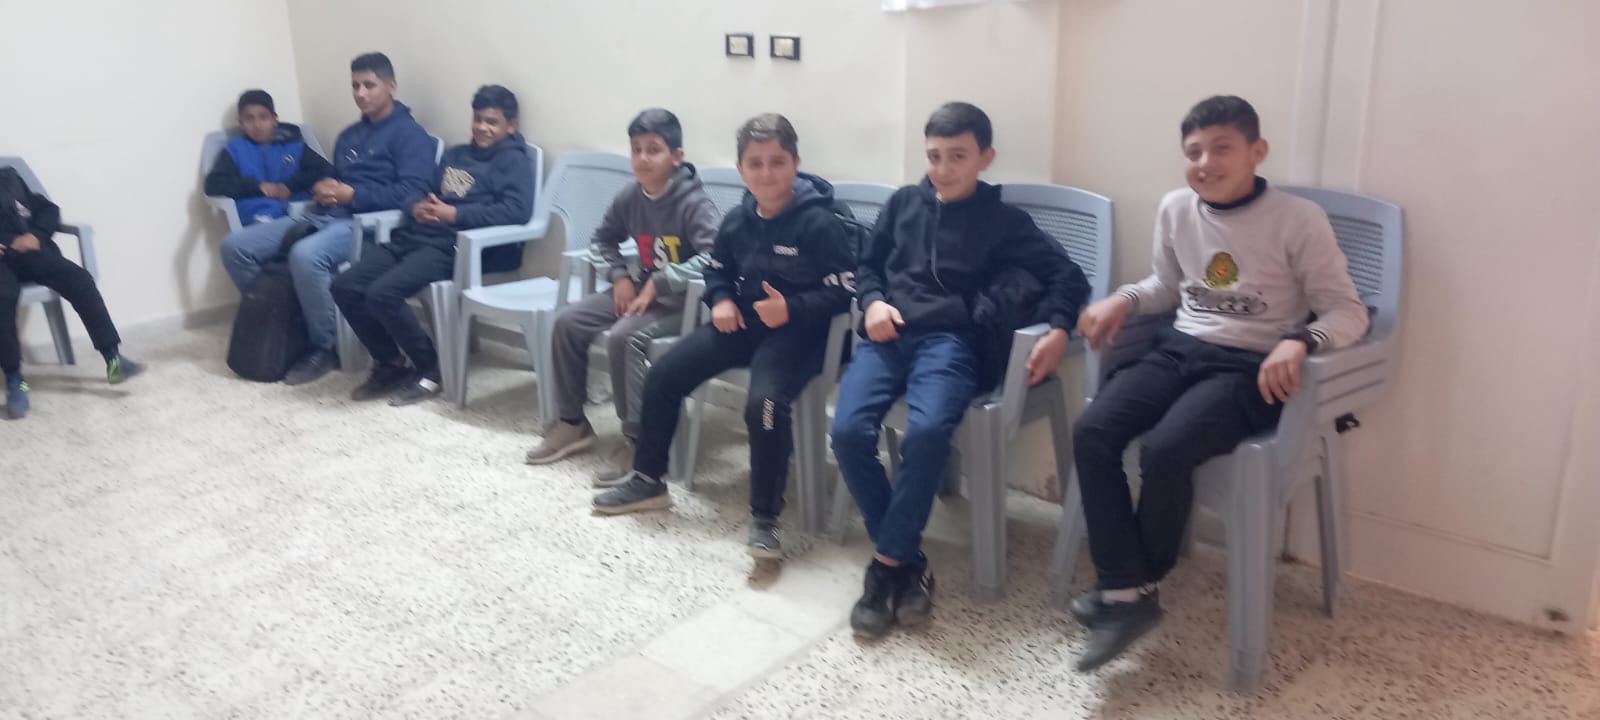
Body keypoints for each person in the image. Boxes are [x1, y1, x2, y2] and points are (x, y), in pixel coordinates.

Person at [1068, 95, 1369, 671]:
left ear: (1257, 151)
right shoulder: (1176, 207)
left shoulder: (1298, 218)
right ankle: (1129, 591)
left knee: (1166, 449)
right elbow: (1165, 286)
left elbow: (1347, 311)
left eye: (1221, 148)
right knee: (1093, 431)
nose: (1205, 163)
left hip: (1249, 366)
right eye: (1194, 152)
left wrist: (1301, 340)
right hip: (1178, 348)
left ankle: (1129, 588)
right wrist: (1122, 299)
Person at [829, 102, 1090, 639]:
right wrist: (872, 302)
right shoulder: (903, 204)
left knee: (927, 433)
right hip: (887, 336)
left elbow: (1068, 275)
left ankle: (886, 566)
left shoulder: (1004, 221)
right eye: (933, 156)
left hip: (949, 344)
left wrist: (1060, 329)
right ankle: (906, 562)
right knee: (848, 431)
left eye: (957, 156)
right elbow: (868, 265)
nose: (942, 169)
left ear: (984, 158)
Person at [591, 113, 855, 561]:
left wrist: (791, 308)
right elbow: (717, 270)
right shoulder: (737, 220)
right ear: (741, 169)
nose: (766, 173)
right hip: (743, 324)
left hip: (800, 336)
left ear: (795, 164)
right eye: (755, 164)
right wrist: (721, 300)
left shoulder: (820, 223)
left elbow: (844, 290)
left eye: (777, 162)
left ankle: (764, 518)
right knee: (663, 373)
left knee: (763, 405)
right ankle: (648, 480)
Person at [524, 108, 722, 485]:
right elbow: (602, 240)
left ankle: (636, 439)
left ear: (677, 156)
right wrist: (618, 276)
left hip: (685, 303)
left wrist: (661, 282)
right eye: (636, 149)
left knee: (624, 337)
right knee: (567, 322)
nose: (643, 158)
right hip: (640, 291)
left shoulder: (694, 203)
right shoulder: (631, 196)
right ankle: (572, 422)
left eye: (654, 150)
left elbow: (715, 258)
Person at [219, 52, 435, 386]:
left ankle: (327, 346)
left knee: (305, 255)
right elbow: (338, 177)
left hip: (371, 227)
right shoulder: (350, 135)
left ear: (391, 86)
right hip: (326, 214)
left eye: (369, 85)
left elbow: (413, 192)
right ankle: (293, 320)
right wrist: (326, 186)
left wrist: (354, 195)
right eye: (355, 86)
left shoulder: (410, 135)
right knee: (235, 247)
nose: (360, 93)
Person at [331, 85, 535, 405]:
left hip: (456, 248)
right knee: (344, 285)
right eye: (478, 119)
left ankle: (431, 368)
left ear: (511, 126)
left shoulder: (514, 161)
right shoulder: (455, 155)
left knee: (382, 293)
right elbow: (418, 188)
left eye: (492, 122)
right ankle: (389, 362)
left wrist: (455, 214)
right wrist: (416, 207)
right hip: (416, 235)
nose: (482, 127)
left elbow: (516, 211)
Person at [1, 166, 144, 419]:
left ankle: (114, 359)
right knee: (2, 298)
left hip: (30, 252)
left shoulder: (9, 177)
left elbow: (48, 209)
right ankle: (15, 381)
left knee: (80, 279)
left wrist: (37, 234)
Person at [204, 89, 333, 227]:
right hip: (258, 212)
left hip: (297, 208)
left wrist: (289, 186)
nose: (257, 125)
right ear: (241, 123)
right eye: (249, 119)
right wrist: (258, 187)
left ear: (274, 119)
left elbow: (327, 170)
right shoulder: (235, 149)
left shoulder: (293, 145)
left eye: (263, 117)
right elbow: (213, 184)